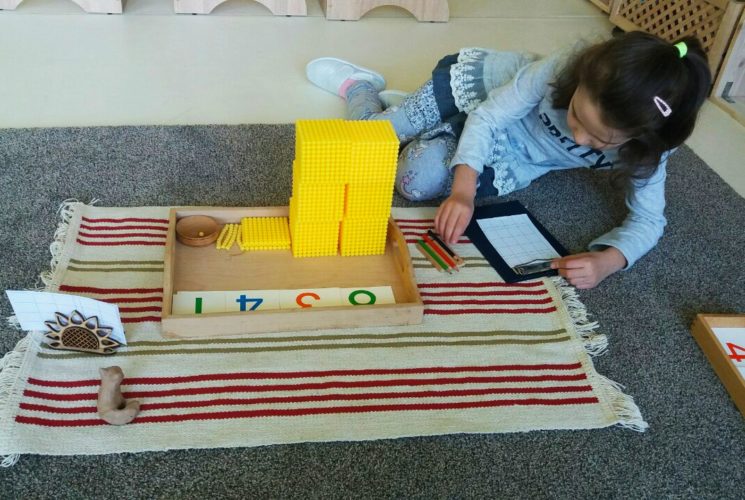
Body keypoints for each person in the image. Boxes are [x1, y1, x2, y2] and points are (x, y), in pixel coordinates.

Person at [305, 31, 712, 288]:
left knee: (413, 181)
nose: (578, 137)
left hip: (513, 153)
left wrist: (609, 260)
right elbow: (488, 115)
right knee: (368, 140)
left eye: (598, 139)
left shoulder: (650, 147)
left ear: (640, 138)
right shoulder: (563, 67)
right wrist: (463, 191)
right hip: (482, 94)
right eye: (575, 115)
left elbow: (649, 220)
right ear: (580, 80)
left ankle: (425, 127)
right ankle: (361, 87)